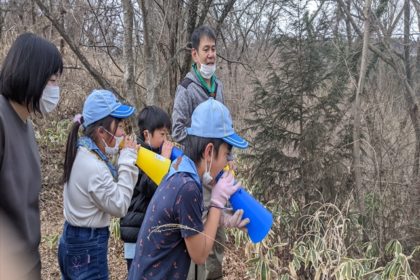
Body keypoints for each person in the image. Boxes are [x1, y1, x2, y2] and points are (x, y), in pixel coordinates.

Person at [128, 98, 249, 280]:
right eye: (227, 154)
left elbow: (187, 223)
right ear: (209, 151)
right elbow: (199, 254)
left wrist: (221, 219)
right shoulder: (187, 187)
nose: (227, 162)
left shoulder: (180, 169)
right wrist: (216, 203)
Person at [172, 25, 247, 279]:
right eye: (206, 49)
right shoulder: (186, 87)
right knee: (201, 233)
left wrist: (229, 158)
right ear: (194, 54)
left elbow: (226, 128)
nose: (211, 54)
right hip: (197, 172)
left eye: (214, 49)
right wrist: (201, 147)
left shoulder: (219, 85)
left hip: (218, 173)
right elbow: (177, 128)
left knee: (219, 236)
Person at [0, 32, 63, 279]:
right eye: (52, 80)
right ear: (32, 76)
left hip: (28, 262)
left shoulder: (25, 124)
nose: (55, 89)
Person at [58, 89, 139, 279]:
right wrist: (127, 162)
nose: (122, 133)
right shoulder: (94, 167)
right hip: (87, 247)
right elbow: (119, 206)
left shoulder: (82, 151)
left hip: (71, 239)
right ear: (101, 131)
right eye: (118, 126)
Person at [120, 106, 173, 271]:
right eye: (162, 134)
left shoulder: (150, 153)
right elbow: (149, 186)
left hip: (145, 232)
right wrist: (164, 160)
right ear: (146, 134)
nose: (166, 139)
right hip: (136, 233)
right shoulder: (138, 154)